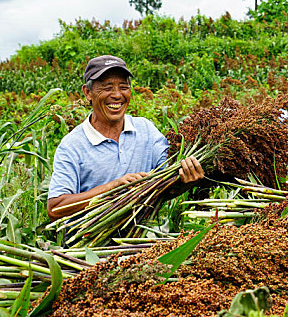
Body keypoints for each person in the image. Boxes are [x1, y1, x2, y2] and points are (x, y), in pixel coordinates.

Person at [47, 55, 204, 222]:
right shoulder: (72, 145)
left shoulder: (145, 130)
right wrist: (111, 188)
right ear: (87, 93)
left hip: (141, 238)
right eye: (107, 88)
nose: (117, 95)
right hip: (89, 244)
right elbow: (56, 208)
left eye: (123, 87)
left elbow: (167, 180)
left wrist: (185, 178)